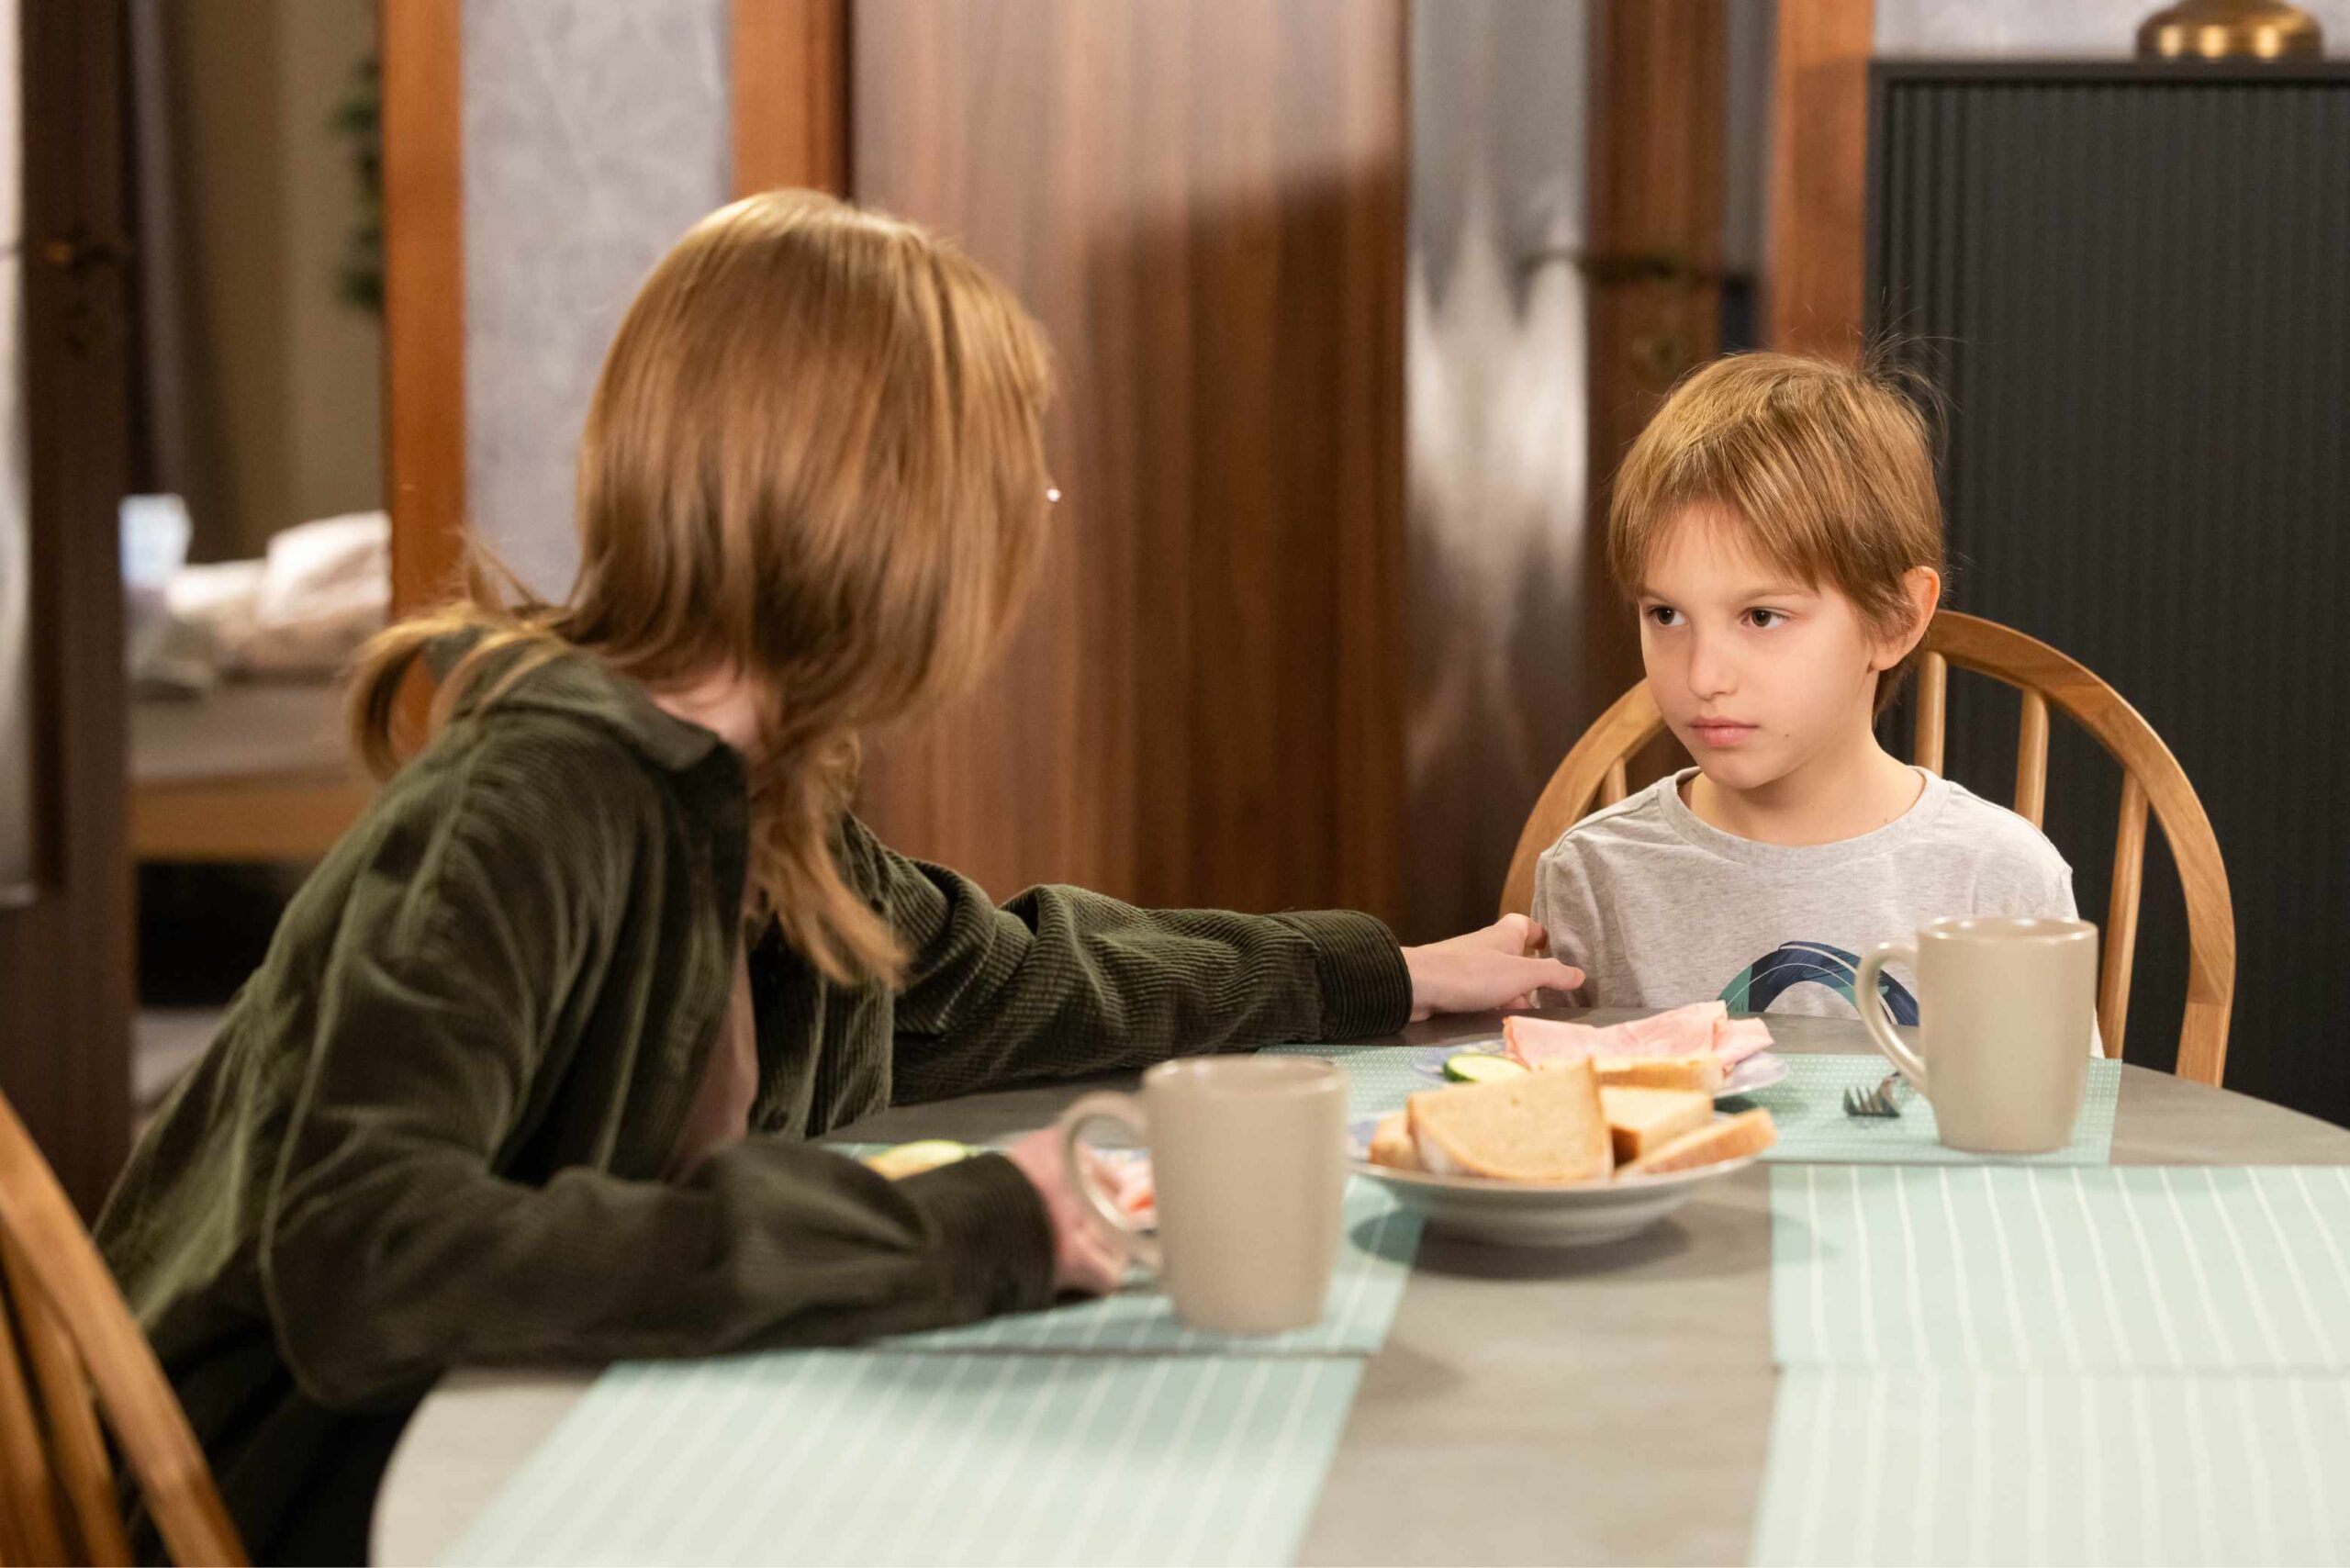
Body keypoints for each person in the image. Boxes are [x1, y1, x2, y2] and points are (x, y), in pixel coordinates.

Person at [95, 190, 1580, 1562]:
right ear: (880, 514)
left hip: (549, 1427)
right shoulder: (531, 802)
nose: (1033, 511)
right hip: (302, 1499)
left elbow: (1007, 979)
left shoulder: (757, 789)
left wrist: (1375, 972)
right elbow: (371, 1259)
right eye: (1004, 481)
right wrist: (974, 1225)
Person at [1529, 351, 2083, 1027]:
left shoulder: (1999, 877)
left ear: (1896, 619)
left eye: (1762, 617)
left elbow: (2052, 1097)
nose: (1703, 677)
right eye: (1666, 615)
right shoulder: (1593, 874)